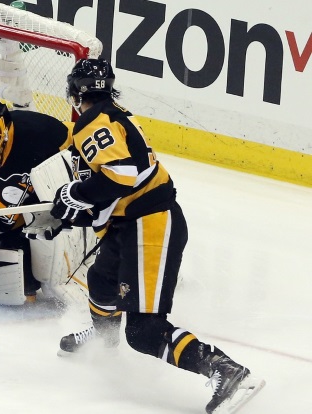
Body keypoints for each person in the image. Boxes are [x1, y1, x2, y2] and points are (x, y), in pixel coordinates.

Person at [49, 58, 265, 413]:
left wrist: (76, 196)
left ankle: (226, 370)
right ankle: (103, 343)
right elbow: (113, 187)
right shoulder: (113, 114)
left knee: (144, 330)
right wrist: (72, 210)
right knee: (101, 281)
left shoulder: (92, 122)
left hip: (150, 225)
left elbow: (120, 176)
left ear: (74, 92)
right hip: (130, 223)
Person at [0, 93, 95, 307]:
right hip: (3, 222)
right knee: (23, 289)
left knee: (52, 280)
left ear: (4, 125)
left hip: (43, 213)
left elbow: (83, 144)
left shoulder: (39, 130)